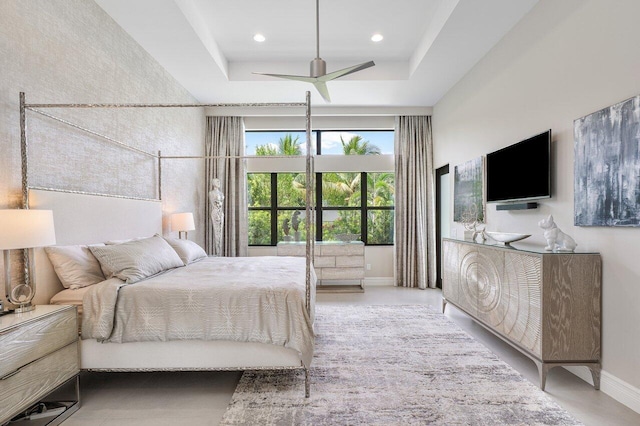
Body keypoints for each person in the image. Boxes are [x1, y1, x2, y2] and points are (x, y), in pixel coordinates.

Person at [209, 179, 224, 255]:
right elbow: (213, 203)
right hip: (215, 213)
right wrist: (217, 212)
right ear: (213, 183)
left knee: (220, 233)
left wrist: (220, 212)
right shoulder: (211, 193)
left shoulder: (221, 193)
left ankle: (219, 253)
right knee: (216, 232)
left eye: (219, 181)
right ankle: (217, 253)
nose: (219, 183)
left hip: (221, 212)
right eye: (217, 181)